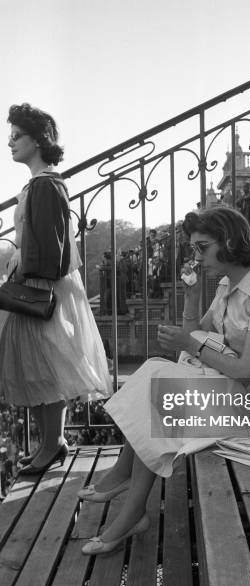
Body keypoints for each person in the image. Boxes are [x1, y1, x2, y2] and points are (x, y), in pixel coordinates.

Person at [78, 206, 250, 555]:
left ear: (230, 241)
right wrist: (191, 296)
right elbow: (196, 330)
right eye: (194, 248)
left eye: (202, 247)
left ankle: (130, 502)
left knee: (161, 389)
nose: (196, 256)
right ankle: (127, 490)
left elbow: (246, 369)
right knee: (153, 373)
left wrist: (189, 344)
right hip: (237, 383)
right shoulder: (228, 282)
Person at [0, 103, 112, 475]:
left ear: (38, 139)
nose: (10, 142)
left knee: (48, 365)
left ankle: (53, 443)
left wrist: (22, 272)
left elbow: (53, 251)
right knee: (39, 366)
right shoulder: (37, 184)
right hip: (35, 280)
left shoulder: (46, 185)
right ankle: (53, 442)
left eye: (17, 135)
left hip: (42, 286)